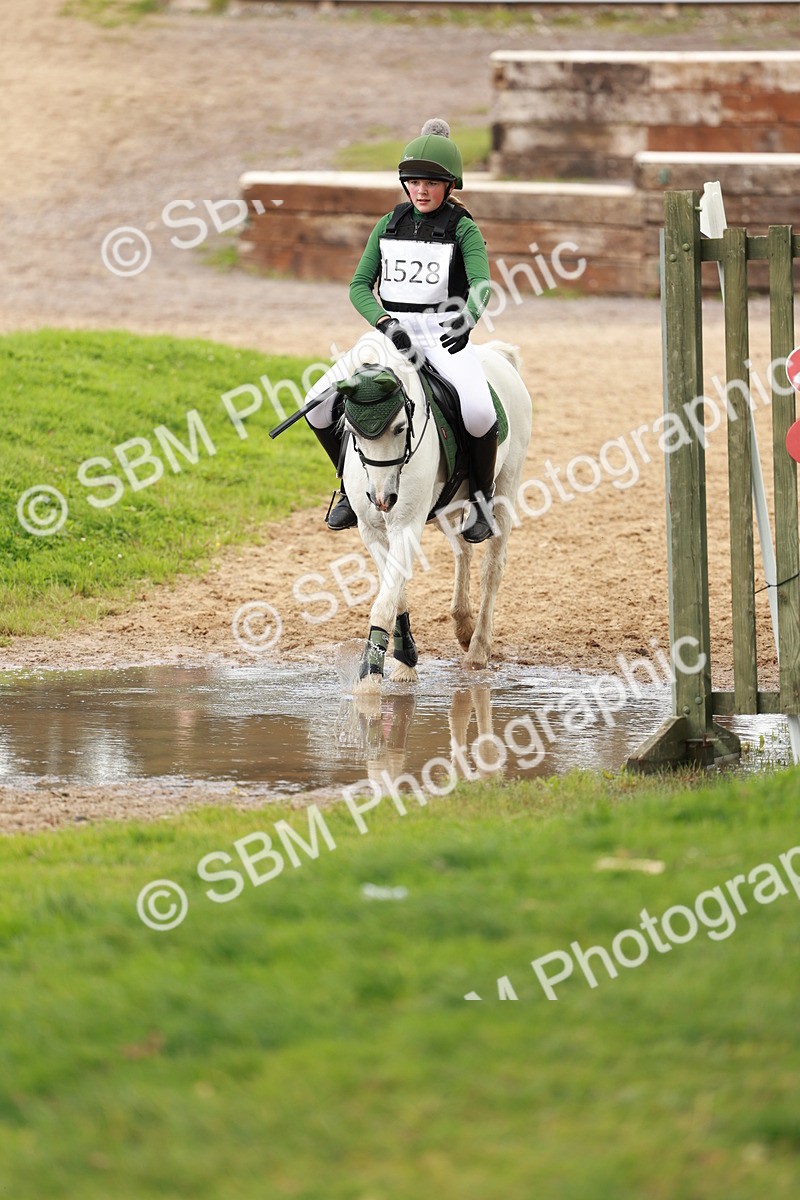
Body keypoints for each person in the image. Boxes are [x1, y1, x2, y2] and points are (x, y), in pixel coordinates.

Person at [306, 118, 498, 543]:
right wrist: (385, 323)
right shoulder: (387, 224)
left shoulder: (462, 228)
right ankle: (345, 486)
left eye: (431, 182)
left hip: (442, 334)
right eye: (413, 181)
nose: (421, 190)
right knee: (316, 404)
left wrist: (468, 317)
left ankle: (483, 500)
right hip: (390, 333)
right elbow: (359, 286)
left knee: (481, 412)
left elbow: (482, 283)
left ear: (449, 186)